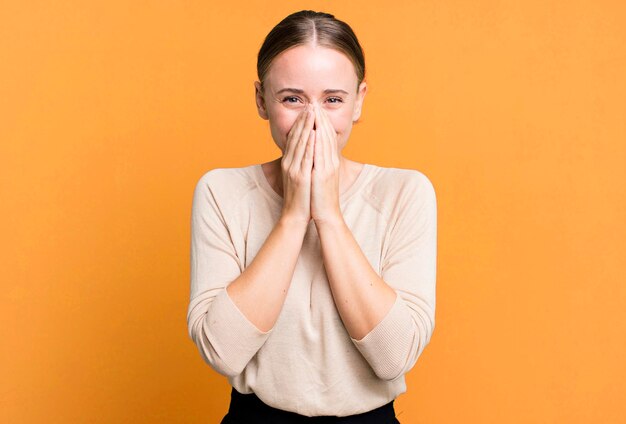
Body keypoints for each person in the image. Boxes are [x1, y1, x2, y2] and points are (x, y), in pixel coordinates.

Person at [186, 10, 437, 423]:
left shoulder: (405, 194)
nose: (313, 121)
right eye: (292, 99)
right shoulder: (221, 192)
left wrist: (328, 214)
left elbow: (393, 357)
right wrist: (293, 214)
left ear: (359, 101)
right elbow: (223, 352)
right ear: (261, 100)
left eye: (333, 100)